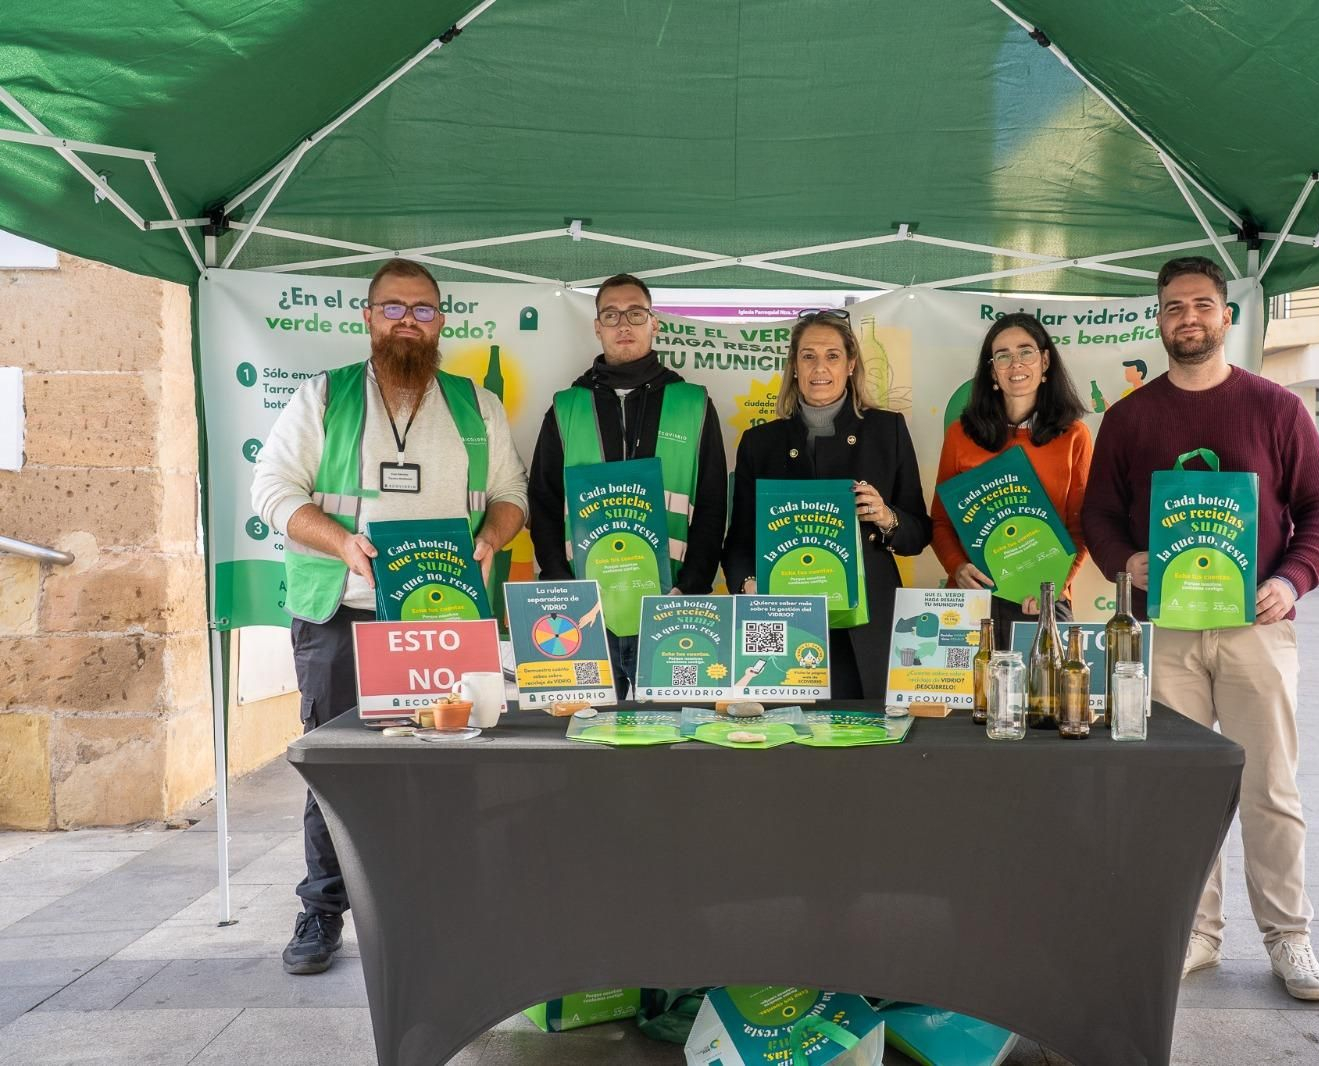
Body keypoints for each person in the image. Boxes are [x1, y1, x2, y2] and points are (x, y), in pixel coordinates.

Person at [251, 259, 529, 975]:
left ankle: (442, 907)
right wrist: (342, 543)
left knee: (450, 764)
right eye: (394, 308)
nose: (409, 321)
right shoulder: (324, 396)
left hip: (446, 620)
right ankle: (322, 910)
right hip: (342, 613)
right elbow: (273, 490)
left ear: (441, 322)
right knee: (337, 768)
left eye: (423, 309)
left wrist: (492, 537)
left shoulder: (477, 405)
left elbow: (511, 495)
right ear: (369, 317)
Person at [1080, 256, 1319, 1001]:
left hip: (1256, 629)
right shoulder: (1129, 418)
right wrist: (1124, 560)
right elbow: (1099, 513)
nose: (1187, 318)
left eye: (1201, 305)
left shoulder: (1275, 409)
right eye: (1173, 307)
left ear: (1226, 316)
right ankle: (1194, 931)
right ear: (1158, 320)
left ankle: (1289, 937)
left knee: (1271, 786)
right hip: (1166, 631)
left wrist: (1290, 581)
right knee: (1177, 789)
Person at [527, 273, 727, 698]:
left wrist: (690, 587)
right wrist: (562, 585)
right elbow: (543, 502)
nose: (623, 324)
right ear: (597, 326)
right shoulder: (566, 407)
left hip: (673, 603)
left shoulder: (693, 404)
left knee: (673, 732)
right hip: (585, 614)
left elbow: (713, 504)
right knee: (584, 732)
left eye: (635, 314)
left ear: (655, 323)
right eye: (611, 315)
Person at [722, 309, 931, 699]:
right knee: (785, 730)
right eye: (808, 356)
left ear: (850, 365)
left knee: (866, 733)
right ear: (794, 366)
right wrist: (748, 584)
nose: (820, 368)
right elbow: (739, 541)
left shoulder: (887, 430)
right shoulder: (760, 443)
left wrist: (887, 517)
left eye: (832, 356)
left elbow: (918, 533)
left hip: (866, 623)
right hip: (784, 618)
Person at [930, 312, 1092, 649]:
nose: (1015, 363)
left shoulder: (1074, 436)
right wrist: (957, 567)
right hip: (972, 599)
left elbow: (1081, 528)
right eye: (1002, 355)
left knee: (1044, 684)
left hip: (1041, 601)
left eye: (1025, 351)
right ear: (992, 371)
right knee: (969, 686)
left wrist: (1053, 588)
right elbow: (941, 522)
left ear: (1045, 361)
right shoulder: (961, 435)